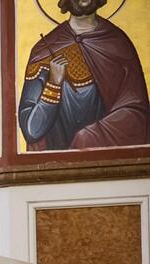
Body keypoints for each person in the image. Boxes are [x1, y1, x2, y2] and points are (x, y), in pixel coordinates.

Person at [19, 0, 150, 151]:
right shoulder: (44, 50)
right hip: (56, 165)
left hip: (104, 160)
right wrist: (53, 84)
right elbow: (31, 131)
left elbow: (137, 112)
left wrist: (88, 138)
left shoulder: (118, 44)